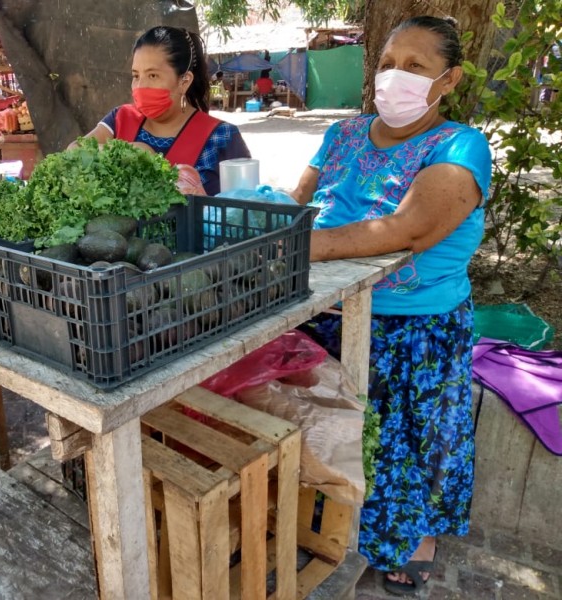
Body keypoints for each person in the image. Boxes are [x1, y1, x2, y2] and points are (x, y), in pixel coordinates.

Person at [290, 16, 492, 596]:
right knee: (333, 437)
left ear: (448, 80)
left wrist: (298, 248)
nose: (394, 77)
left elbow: (410, 229)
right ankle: (332, 532)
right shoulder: (343, 134)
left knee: (408, 446)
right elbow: (297, 202)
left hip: (413, 334)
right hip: (325, 314)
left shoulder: (459, 145)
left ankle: (412, 543)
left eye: (415, 66)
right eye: (387, 63)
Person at [71, 26, 250, 195]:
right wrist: (137, 152)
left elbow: (247, 212)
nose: (140, 86)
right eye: (136, 76)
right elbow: (73, 151)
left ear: (184, 81)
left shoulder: (222, 136)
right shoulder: (120, 119)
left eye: (153, 75)